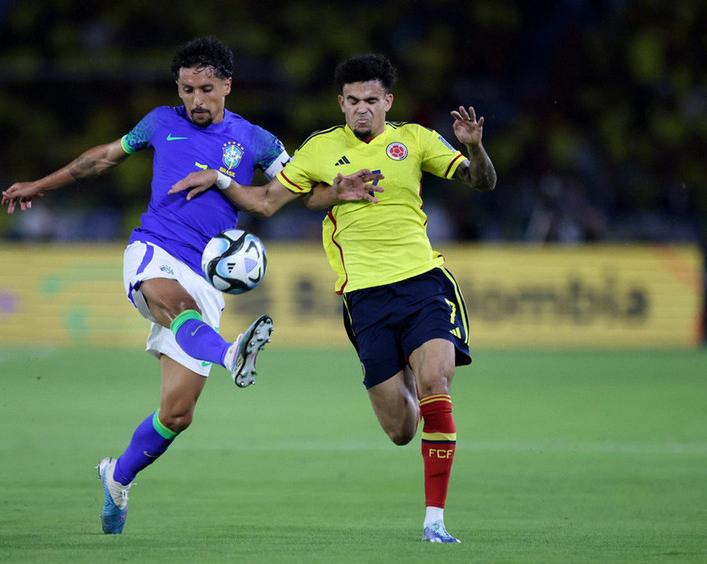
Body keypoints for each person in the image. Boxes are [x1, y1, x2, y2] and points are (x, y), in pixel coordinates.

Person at [0, 37, 372, 535]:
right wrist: (39, 186)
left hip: (206, 277)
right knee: (174, 306)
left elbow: (279, 198)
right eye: (187, 89)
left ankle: (118, 476)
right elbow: (102, 158)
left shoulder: (257, 140)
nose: (196, 99)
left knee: (176, 415)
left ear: (227, 86)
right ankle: (232, 354)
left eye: (206, 89)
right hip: (154, 250)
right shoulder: (160, 121)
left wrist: (337, 193)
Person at [170, 53, 497, 543]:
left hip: (423, 283)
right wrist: (220, 179)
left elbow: (482, 181)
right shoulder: (320, 151)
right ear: (340, 103)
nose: (361, 109)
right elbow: (265, 202)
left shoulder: (416, 140)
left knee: (436, 385)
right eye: (352, 101)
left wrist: (476, 150)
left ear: (388, 101)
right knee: (401, 431)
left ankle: (435, 521)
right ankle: (407, 366)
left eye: (371, 100)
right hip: (364, 299)